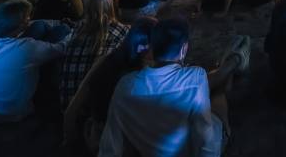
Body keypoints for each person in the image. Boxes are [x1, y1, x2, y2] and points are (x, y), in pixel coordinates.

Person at [100, 17, 247, 157]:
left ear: (153, 48)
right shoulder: (196, 77)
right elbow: (205, 137)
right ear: (184, 49)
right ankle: (235, 60)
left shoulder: (125, 86)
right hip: (192, 149)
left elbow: (110, 145)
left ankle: (232, 62)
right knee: (218, 92)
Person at [0, 0, 71, 125]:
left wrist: (53, 22)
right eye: (27, 18)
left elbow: (34, 24)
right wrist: (69, 28)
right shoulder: (25, 47)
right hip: (7, 114)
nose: (29, 20)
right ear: (20, 26)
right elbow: (63, 48)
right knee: (62, 32)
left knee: (39, 26)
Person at [63, 17, 157, 152]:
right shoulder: (140, 77)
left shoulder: (106, 60)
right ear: (146, 47)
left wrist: (70, 142)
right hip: (113, 142)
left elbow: (71, 111)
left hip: (95, 133)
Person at [59, 0, 129, 108]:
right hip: (94, 106)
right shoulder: (120, 30)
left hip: (66, 101)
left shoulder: (79, 28)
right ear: (110, 7)